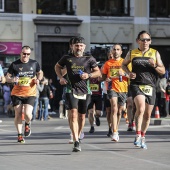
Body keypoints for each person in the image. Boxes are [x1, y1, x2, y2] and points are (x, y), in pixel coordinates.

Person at [55, 37, 101, 152]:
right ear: (72, 46)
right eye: (76, 45)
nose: (79, 47)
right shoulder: (67, 58)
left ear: (84, 46)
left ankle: (79, 134)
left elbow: (98, 72)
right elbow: (57, 66)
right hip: (71, 89)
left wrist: (88, 75)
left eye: (81, 45)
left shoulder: (89, 58)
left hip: (86, 90)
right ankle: (75, 140)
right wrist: (61, 78)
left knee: (81, 116)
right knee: (74, 114)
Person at [122, 30, 165, 149]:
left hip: (150, 86)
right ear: (138, 41)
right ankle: (137, 135)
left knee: (147, 114)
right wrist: (129, 73)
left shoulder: (155, 53)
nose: (145, 42)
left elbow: (163, 71)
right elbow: (123, 65)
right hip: (136, 84)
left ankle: (143, 136)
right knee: (140, 108)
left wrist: (155, 65)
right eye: (142, 39)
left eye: (147, 40)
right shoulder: (132, 53)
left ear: (150, 41)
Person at [5, 45, 42, 143]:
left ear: (30, 54)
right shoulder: (14, 64)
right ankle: (20, 135)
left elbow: (40, 73)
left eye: (28, 54)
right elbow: (6, 77)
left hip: (30, 93)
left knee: (27, 114)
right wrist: (12, 79)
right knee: (18, 113)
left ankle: (27, 123)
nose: (25, 55)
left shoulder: (34, 63)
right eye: (24, 53)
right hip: (17, 93)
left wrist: (38, 79)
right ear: (20, 53)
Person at [102, 44, 128, 142]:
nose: (116, 51)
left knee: (120, 111)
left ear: (121, 52)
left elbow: (132, 75)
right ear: (112, 52)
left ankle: (116, 128)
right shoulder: (107, 63)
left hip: (123, 89)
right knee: (114, 108)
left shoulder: (125, 63)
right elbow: (103, 77)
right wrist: (106, 78)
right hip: (111, 88)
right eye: (114, 49)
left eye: (118, 49)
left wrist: (124, 74)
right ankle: (115, 132)